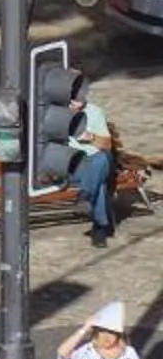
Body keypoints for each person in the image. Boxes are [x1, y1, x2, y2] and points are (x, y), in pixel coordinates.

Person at [66, 73, 117, 247]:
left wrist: (90, 137)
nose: (75, 105)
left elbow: (107, 144)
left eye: (78, 101)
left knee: (100, 160)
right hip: (73, 164)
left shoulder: (94, 112)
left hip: (96, 159)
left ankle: (85, 196)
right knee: (99, 181)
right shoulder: (57, 114)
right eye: (72, 101)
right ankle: (100, 227)